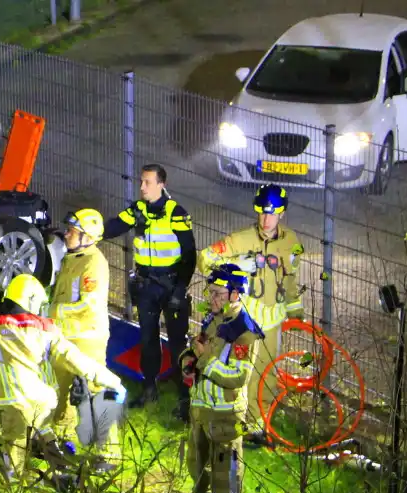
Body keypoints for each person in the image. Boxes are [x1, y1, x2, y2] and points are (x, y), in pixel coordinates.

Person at [0, 273, 126, 482]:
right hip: (43, 400)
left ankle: (12, 486)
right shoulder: (47, 331)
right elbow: (77, 359)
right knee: (46, 435)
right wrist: (112, 380)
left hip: (14, 402)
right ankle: (63, 473)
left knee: (13, 446)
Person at [196, 184, 305, 437]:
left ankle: (258, 427)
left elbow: (290, 279)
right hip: (245, 320)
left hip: (273, 321)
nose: (266, 219)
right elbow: (204, 259)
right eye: (262, 213)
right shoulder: (240, 239)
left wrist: (295, 309)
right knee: (239, 373)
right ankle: (232, 421)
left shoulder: (291, 242)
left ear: (281, 214)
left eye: (272, 214)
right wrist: (234, 263)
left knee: (267, 377)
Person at [100, 164, 197, 414]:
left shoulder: (176, 213)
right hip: (146, 286)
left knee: (178, 344)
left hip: (172, 283)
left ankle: (185, 398)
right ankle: (149, 389)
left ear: (161, 184)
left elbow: (189, 254)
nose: (142, 187)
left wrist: (180, 288)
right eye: (141, 182)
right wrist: (87, 230)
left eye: (147, 182)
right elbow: (112, 227)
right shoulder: (138, 209)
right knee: (148, 340)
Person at [179, 263, 264, 493]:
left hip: (225, 414)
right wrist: (188, 360)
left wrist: (203, 359)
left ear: (235, 295)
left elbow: (238, 377)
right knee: (197, 461)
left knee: (224, 472)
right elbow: (200, 349)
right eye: (210, 292)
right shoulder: (215, 319)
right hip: (202, 408)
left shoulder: (244, 332)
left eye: (218, 294)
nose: (211, 299)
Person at [49, 208, 118, 471]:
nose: (66, 234)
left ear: (87, 236)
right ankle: (61, 445)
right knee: (60, 391)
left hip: (87, 337)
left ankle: (109, 455)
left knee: (97, 391)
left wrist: (53, 312)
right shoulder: (72, 258)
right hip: (65, 336)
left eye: (72, 231)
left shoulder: (93, 263)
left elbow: (88, 303)